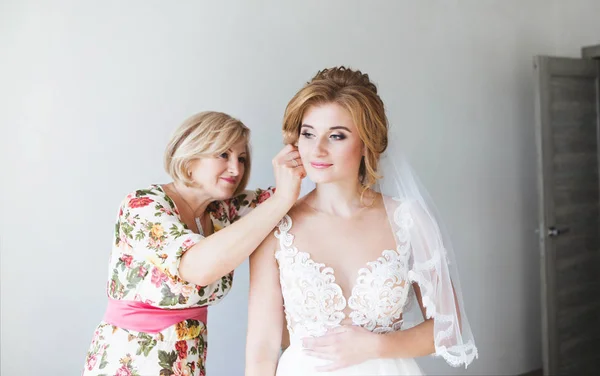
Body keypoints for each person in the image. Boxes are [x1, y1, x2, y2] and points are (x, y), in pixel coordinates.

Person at [245, 67, 478, 375]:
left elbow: (449, 328)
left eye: (337, 136)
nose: (318, 149)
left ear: (367, 143)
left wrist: (375, 346)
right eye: (308, 133)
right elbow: (261, 346)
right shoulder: (276, 226)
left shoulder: (407, 219)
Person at [83, 111, 305, 376]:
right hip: (130, 361)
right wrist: (281, 200)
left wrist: (305, 146)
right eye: (223, 154)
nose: (236, 168)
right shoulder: (142, 206)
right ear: (190, 157)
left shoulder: (221, 210)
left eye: (241, 158)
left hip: (186, 361)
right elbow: (197, 267)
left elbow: (299, 196)